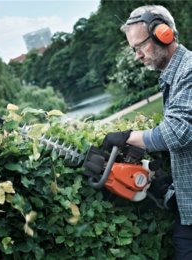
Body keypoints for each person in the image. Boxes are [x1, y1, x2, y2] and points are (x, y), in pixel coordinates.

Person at [102, 5, 192, 259]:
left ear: (163, 34)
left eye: (138, 46)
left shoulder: (189, 71)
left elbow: (177, 132)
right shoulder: (173, 76)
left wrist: (128, 138)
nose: (137, 56)